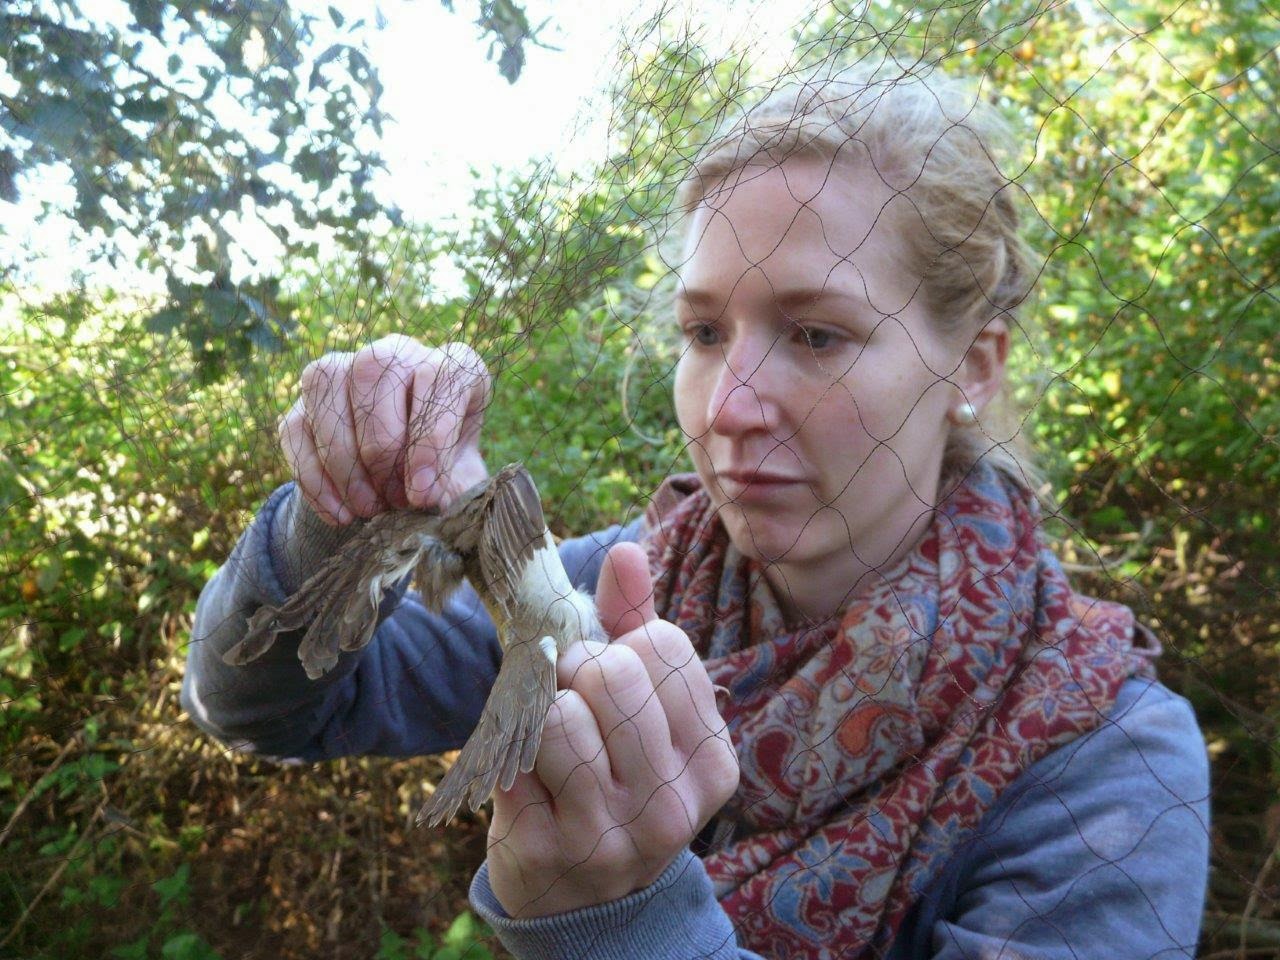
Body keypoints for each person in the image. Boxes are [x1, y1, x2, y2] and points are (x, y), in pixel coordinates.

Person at [183, 64, 1211, 958]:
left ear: (972, 366)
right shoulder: (627, 580)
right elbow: (266, 709)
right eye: (705, 332)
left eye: (816, 335)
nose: (726, 407)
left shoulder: (1100, 753)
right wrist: (339, 519)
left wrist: (618, 922)